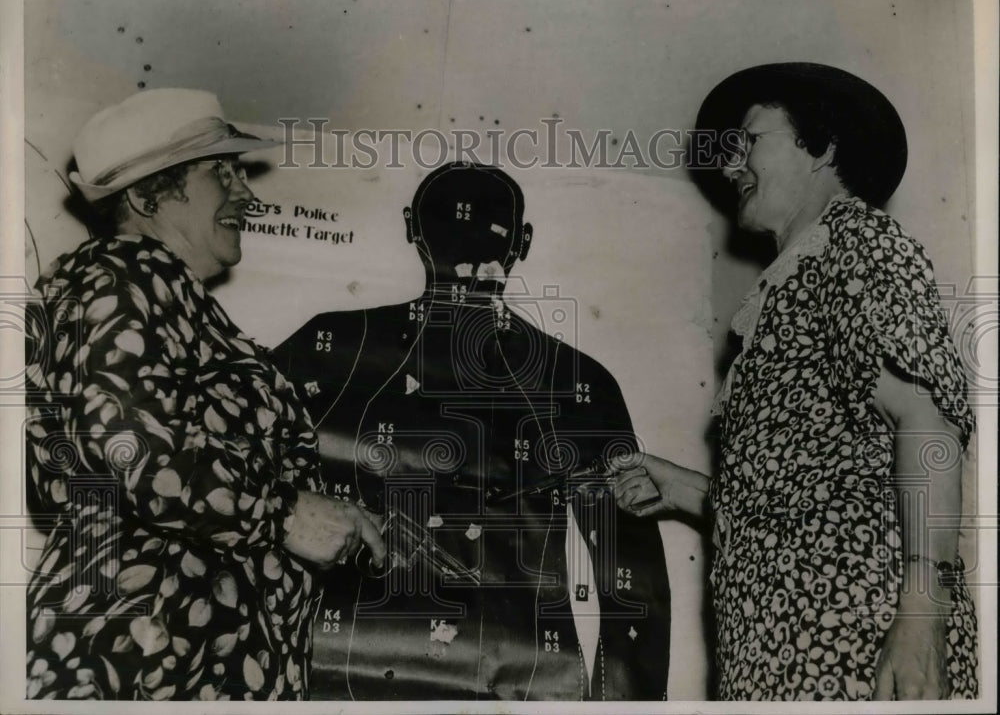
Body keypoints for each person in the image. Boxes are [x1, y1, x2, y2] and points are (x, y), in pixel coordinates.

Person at [614, 63, 978, 701]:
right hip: (777, 648)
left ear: (823, 146)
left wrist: (922, 617)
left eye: (749, 140)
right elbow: (799, 496)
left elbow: (928, 422)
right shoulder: (788, 288)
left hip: (856, 639)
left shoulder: (859, 244)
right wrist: (688, 489)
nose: (731, 167)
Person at [24, 88, 385, 701]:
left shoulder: (173, 304)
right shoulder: (120, 273)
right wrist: (285, 512)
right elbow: (128, 446)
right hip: (142, 655)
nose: (246, 193)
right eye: (221, 172)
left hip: (186, 657)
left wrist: (323, 511)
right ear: (145, 196)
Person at [271, 162, 671, 700]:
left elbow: (631, 575)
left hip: (479, 679)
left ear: (411, 226)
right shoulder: (332, 344)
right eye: (450, 216)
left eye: (487, 221)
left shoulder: (337, 344)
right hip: (351, 671)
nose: (467, 231)